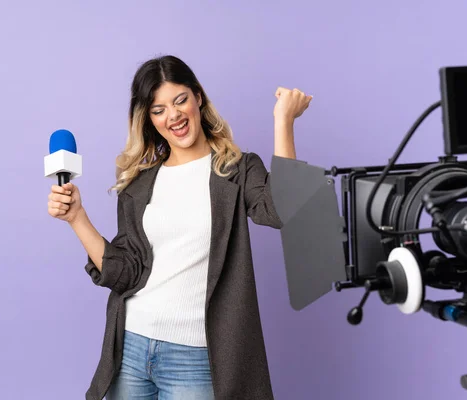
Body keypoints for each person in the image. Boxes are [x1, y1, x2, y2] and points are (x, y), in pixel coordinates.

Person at [47, 55, 312, 400]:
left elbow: (283, 210)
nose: (172, 116)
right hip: (130, 347)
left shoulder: (236, 171)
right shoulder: (139, 186)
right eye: (158, 110)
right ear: (149, 119)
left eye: (180, 100)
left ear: (198, 97)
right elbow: (124, 273)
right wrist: (77, 218)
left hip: (196, 356)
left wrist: (283, 122)